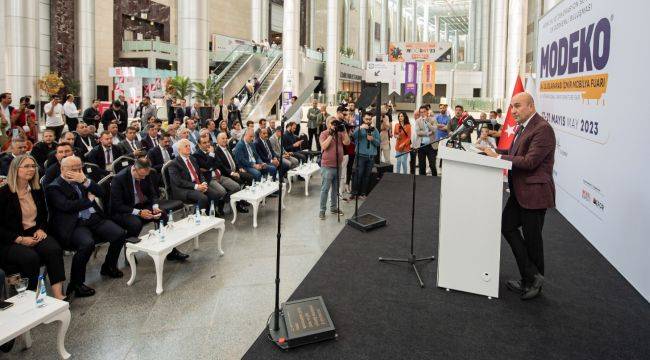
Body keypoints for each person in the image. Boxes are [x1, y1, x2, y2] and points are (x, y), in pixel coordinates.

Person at [478, 92, 555, 300]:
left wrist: (499, 157)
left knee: (533, 241)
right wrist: (489, 151)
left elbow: (530, 162)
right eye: (512, 107)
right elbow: (516, 152)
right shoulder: (524, 128)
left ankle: (533, 284)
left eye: (518, 106)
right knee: (507, 226)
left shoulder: (543, 129)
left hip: (535, 193)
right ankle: (531, 276)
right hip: (519, 192)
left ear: (531, 106)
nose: (513, 111)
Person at [46, 156, 127, 298]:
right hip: (75, 223)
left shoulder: (82, 179)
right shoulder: (54, 187)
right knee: (86, 244)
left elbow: (101, 193)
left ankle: (109, 266)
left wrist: (84, 181)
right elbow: (67, 207)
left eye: (79, 168)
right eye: (73, 169)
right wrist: (88, 200)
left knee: (119, 234)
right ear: (62, 169)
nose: (77, 171)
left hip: (93, 218)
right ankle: (76, 283)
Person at [0, 155, 66, 300]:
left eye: (33, 166)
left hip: (34, 231)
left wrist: (41, 228)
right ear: (16, 169)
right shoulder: (3, 193)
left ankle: (58, 295)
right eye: (27, 166)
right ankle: (31, 298)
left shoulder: (36, 189)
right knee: (30, 258)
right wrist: (20, 239)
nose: (31, 169)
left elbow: (43, 215)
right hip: (9, 239)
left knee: (54, 250)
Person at [110, 158, 189, 261]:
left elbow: (152, 193)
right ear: (134, 169)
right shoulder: (119, 179)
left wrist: (155, 207)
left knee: (162, 214)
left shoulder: (146, 174)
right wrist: (139, 212)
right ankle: (129, 253)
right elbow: (117, 205)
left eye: (145, 176)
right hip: (124, 210)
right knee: (135, 223)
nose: (143, 178)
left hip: (141, 205)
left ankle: (170, 250)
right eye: (141, 176)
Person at [168, 139, 221, 211]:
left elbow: (199, 173)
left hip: (197, 184)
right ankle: (197, 217)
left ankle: (208, 215)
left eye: (189, 146)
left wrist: (203, 183)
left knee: (215, 195)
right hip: (184, 189)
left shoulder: (192, 158)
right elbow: (178, 182)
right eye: (186, 146)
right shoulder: (174, 164)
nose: (188, 147)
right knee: (203, 198)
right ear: (179, 149)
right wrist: (196, 186)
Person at [193, 136, 241, 215]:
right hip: (209, 178)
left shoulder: (212, 150)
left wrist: (210, 166)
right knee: (222, 191)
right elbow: (207, 166)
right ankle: (217, 207)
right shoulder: (197, 155)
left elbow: (218, 164)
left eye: (208, 142)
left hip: (219, 175)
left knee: (236, 187)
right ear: (199, 144)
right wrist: (211, 156)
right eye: (204, 143)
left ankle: (221, 203)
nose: (207, 144)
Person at [318, 116, 350, 219]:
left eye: (335, 123)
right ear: (328, 124)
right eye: (332, 123)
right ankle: (322, 211)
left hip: (338, 166)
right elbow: (324, 146)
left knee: (335, 189)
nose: (335, 125)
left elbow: (347, 143)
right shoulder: (324, 134)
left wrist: (344, 131)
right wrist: (331, 134)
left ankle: (334, 208)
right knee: (325, 189)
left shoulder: (340, 133)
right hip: (327, 166)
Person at [351, 113, 380, 198]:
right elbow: (354, 136)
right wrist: (360, 128)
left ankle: (363, 193)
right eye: (367, 119)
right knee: (358, 175)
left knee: (367, 176)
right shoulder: (359, 128)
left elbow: (378, 143)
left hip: (371, 157)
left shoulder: (375, 130)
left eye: (370, 119)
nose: (368, 121)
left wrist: (373, 139)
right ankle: (355, 193)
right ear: (363, 119)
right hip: (361, 156)